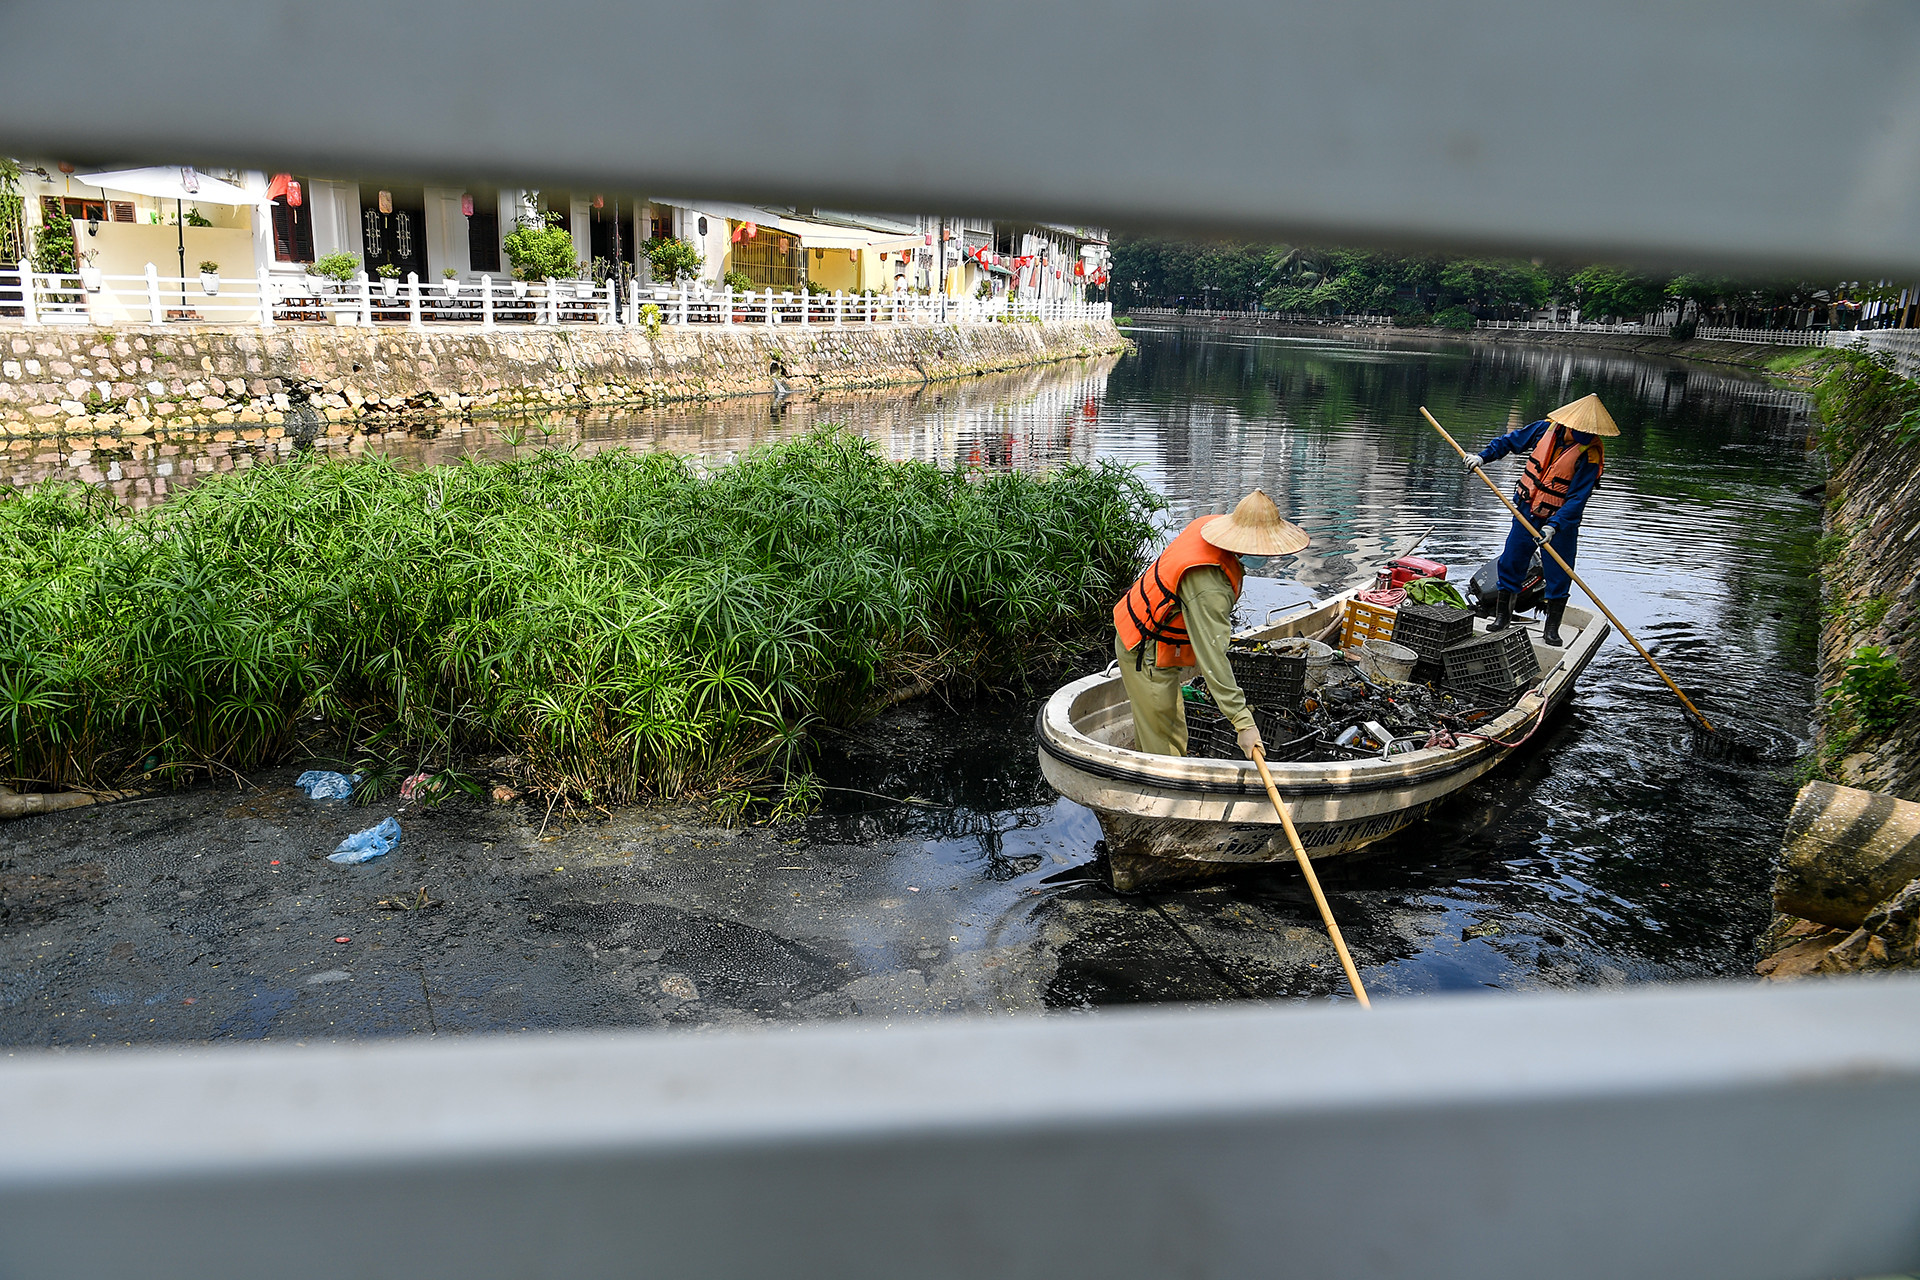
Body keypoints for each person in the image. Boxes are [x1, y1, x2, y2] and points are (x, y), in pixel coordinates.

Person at [1113, 489, 1311, 759]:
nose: (1266, 556)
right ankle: (1159, 793)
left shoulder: (1209, 526)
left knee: (1167, 726)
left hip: (1151, 634)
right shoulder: (1209, 585)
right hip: (1144, 649)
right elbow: (1213, 657)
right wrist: (1243, 723)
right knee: (1164, 744)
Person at [1464, 392, 1619, 646]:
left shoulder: (1590, 454)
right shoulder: (1544, 430)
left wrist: (1554, 526)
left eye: (1590, 430)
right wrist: (1483, 456)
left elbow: (1577, 500)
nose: (1585, 433)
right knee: (1512, 559)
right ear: (1570, 422)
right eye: (1581, 428)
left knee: (1559, 571)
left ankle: (1551, 629)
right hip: (1528, 509)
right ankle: (1502, 617)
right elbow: (1510, 442)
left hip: (1561, 521)